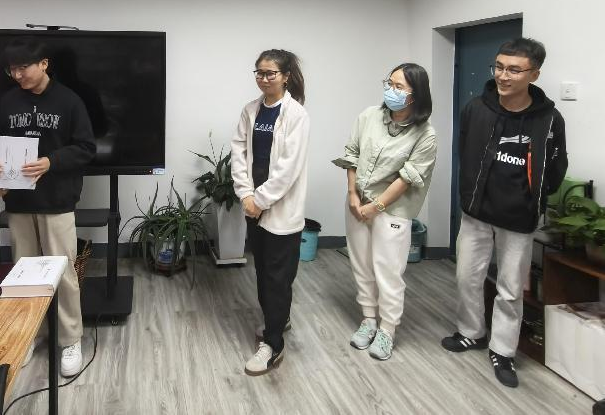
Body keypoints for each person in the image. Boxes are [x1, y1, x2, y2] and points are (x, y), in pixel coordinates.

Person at [441, 37, 568, 388]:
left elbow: (557, 166)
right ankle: (472, 332)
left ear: (534, 74)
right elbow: (464, 150)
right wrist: (469, 192)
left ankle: (503, 350)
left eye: (514, 69)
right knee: (466, 278)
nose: (503, 75)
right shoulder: (476, 108)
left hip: (519, 218)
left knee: (510, 289)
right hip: (477, 212)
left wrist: (532, 198)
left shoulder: (550, 119)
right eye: (499, 67)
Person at [0, 39, 96, 378]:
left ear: (44, 64)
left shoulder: (70, 101)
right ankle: (29, 334)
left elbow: (86, 148)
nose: (17, 74)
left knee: (63, 273)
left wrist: (51, 162)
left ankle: (70, 339)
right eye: (12, 69)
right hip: (19, 201)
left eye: (23, 67)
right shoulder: (7, 101)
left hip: (57, 201)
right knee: (22, 272)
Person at [333, 63, 437, 361]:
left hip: (392, 210)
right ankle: (368, 320)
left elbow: (408, 177)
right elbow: (352, 154)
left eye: (399, 86)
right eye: (389, 83)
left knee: (388, 272)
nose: (391, 90)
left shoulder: (426, 134)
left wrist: (376, 206)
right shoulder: (369, 116)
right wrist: (353, 194)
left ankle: (387, 330)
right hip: (358, 203)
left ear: (416, 94)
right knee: (362, 265)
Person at [231, 48, 309, 376]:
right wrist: (245, 194)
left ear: (285, 76)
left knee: (278, 279)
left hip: (280, 210)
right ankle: (277, 320)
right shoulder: (251, 110)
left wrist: (259, 200)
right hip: (253, 207)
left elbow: (287, 170)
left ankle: (273, 345)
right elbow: (238, 152)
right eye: (259, 73)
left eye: (270, 73)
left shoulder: (296, 115)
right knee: (263, 272)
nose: (264, 79)